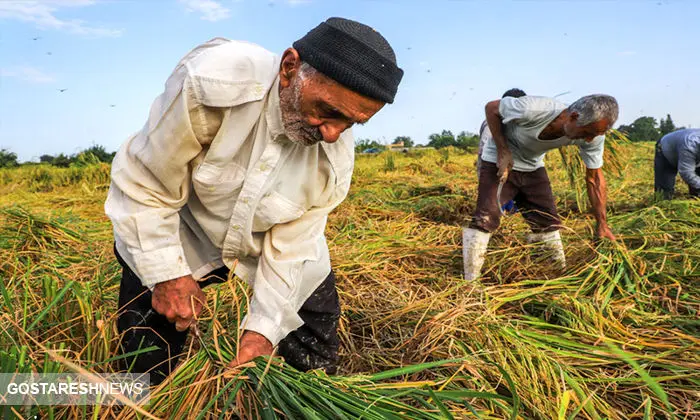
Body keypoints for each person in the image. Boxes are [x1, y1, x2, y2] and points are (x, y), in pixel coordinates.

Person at [105, 17, 403, 384]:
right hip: (185, 225)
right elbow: (145, 182)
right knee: (145, 347)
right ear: (289, 68)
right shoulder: (213, 82)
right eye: (329, 111)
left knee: (311, 349)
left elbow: (294, 246)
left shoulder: (333, 161)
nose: (332, 133)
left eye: (352, 123)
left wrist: (262, 330)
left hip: (267, 237)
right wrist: (167, 275)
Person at [463, 94, 619, 281]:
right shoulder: (534, 109)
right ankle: (471, 283)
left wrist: (602, 224)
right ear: (574, 117)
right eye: (587, 133)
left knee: (548, 221)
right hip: (500, 160)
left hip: (533, 165)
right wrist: (503, 150)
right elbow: (492, 108)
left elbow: (594, 178)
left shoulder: (594, 137)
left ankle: (556, 274)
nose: (588, 140)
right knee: (486, 217)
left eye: (594, 135)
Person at [476, 88, 527, 214]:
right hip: (494, 166)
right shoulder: (493, 122)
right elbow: (485, 148)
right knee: (495, 200)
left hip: (508, 165)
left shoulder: (515, 123)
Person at [654, 128, 700, 199]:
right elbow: (686, 172)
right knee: (665, 191)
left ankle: (695, 198)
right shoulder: (690, 144)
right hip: (666, 151)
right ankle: (664, 204)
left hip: (689, 151)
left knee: (697, 187)